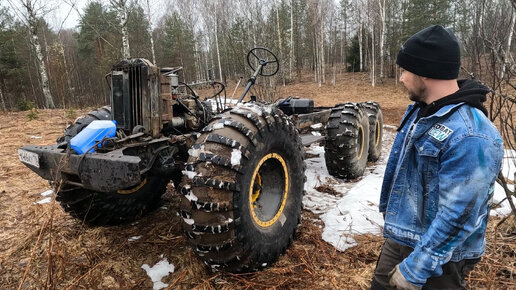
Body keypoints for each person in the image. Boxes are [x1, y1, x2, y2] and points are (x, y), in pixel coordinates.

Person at [371, 25, 504, 289]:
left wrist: (416, 268)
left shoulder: (471, 135)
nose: (401, 78)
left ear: (425, 72)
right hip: (405, 238)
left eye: (405, 70)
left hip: (442, 258)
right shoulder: (423, 112)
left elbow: (459, 215)